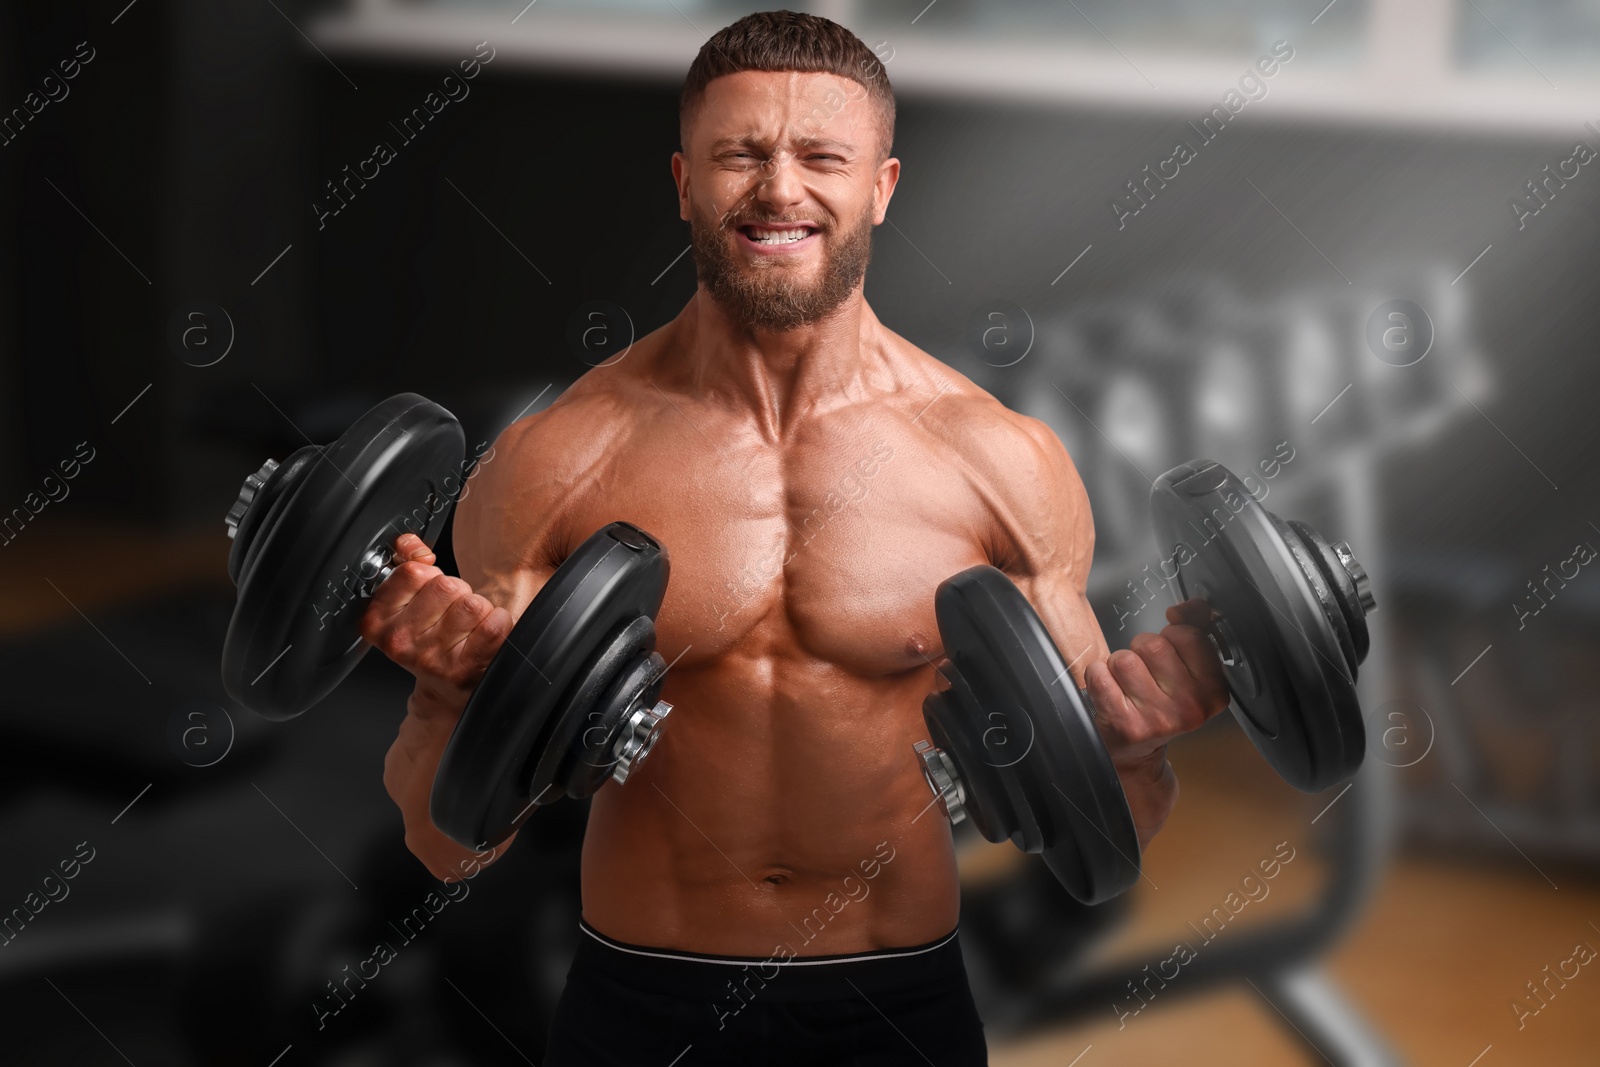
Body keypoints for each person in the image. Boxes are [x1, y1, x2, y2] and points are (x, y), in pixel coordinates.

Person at [363, 11, 1229, 1064]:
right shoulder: (558, 458)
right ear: (684, 182)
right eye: (741, 154)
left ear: (883, 185)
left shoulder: (998, 460)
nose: (780, 190)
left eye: (823, 156)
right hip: (643, 996)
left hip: (896, 995)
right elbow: (446, 843)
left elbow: (1103, 830)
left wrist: (1136, 749)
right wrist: (448, 691)